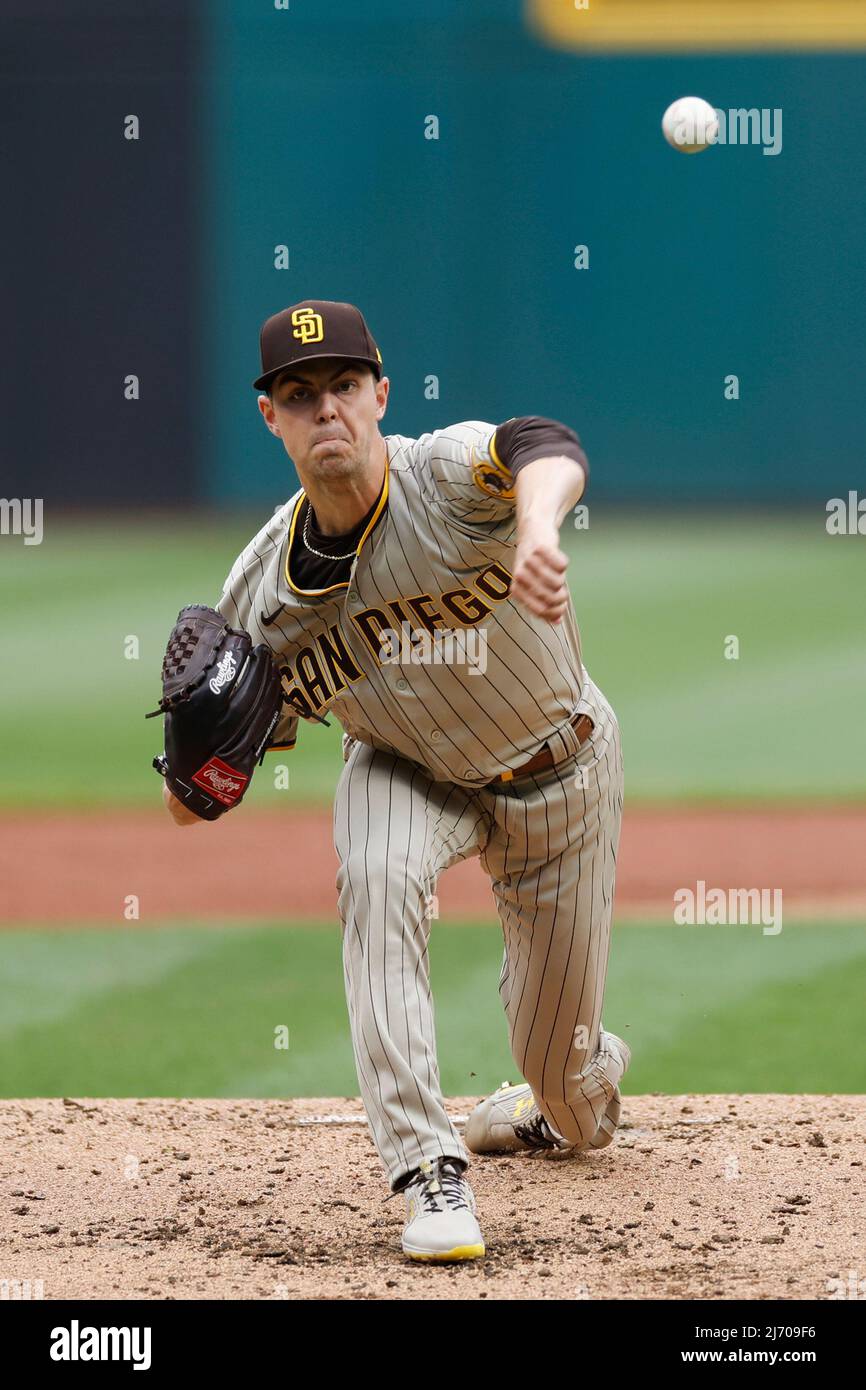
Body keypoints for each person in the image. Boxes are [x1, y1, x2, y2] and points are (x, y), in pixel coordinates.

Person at [163, 299, 631, 1262]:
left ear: (380, 394)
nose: (325, 408)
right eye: (299, 395)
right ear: (272, 419)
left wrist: (538, 528)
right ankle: (429, 1169)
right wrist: (200, 757)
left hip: (562, 770)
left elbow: (545, 441)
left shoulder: (447, 476)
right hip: (407, 772)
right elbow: (193, 802)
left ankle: (549, 1096)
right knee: (375, 873)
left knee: (576, 1103)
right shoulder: (260, 598)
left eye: (342, 386)